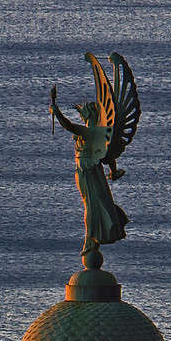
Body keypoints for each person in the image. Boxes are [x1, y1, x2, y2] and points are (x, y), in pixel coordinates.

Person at [50, 85, 128, 266]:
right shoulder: (99, 133)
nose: (81, 116)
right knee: (95, 204)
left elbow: (68, 126)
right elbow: (108, 156)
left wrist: (57, 111)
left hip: (86, 171)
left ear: (89, 116)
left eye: (83, 114)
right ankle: (93, 238)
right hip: (91, 171)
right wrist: (113, 171)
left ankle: (91, 238)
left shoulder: (88, 132)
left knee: (91, 206)